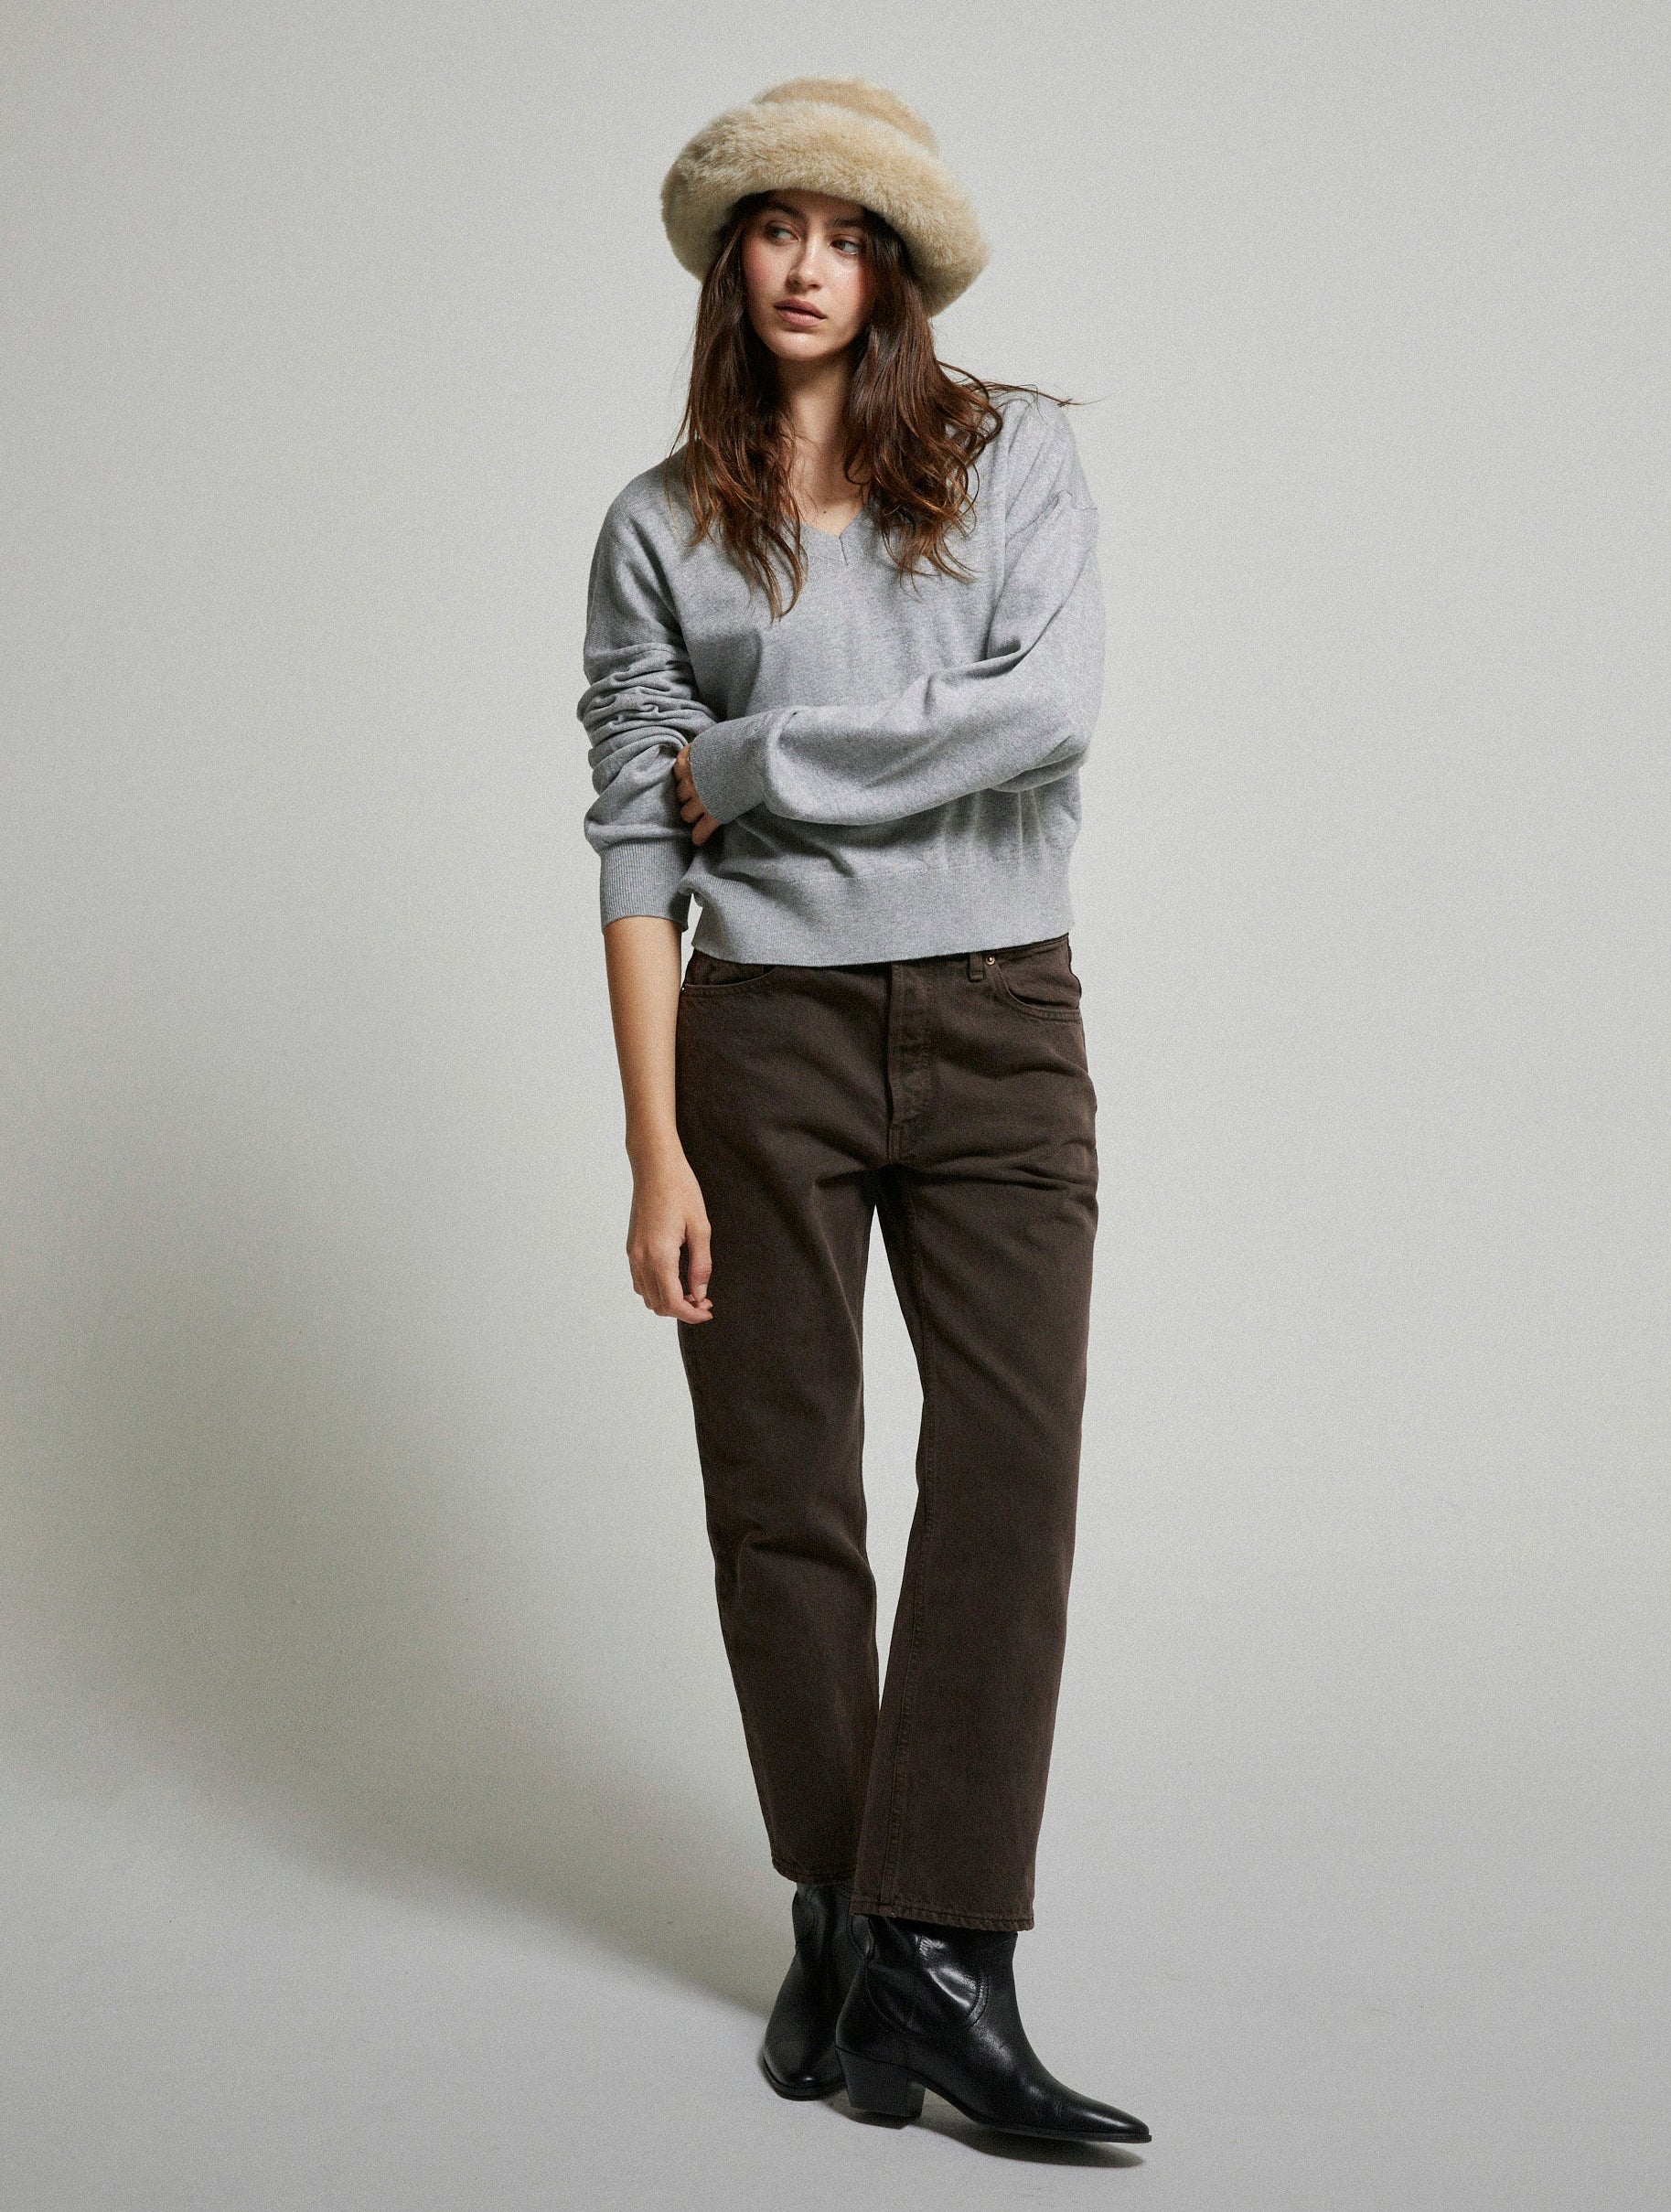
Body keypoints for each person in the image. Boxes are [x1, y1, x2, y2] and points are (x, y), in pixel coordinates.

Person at [576, 75, 1150, 2147]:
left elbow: (1041, 715)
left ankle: (943, 1949)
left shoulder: (1014, 461)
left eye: (845, 232)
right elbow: (633, 841)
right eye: (773, 226)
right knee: (780, 1489)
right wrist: (651, 1144)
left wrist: (759, 766)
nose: (806, 264)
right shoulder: (658, 528)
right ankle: (847, 1920)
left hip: (1000, 1019)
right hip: (764, 1041)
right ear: (732, 258)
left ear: (895, 266)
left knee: (1009, 1470)